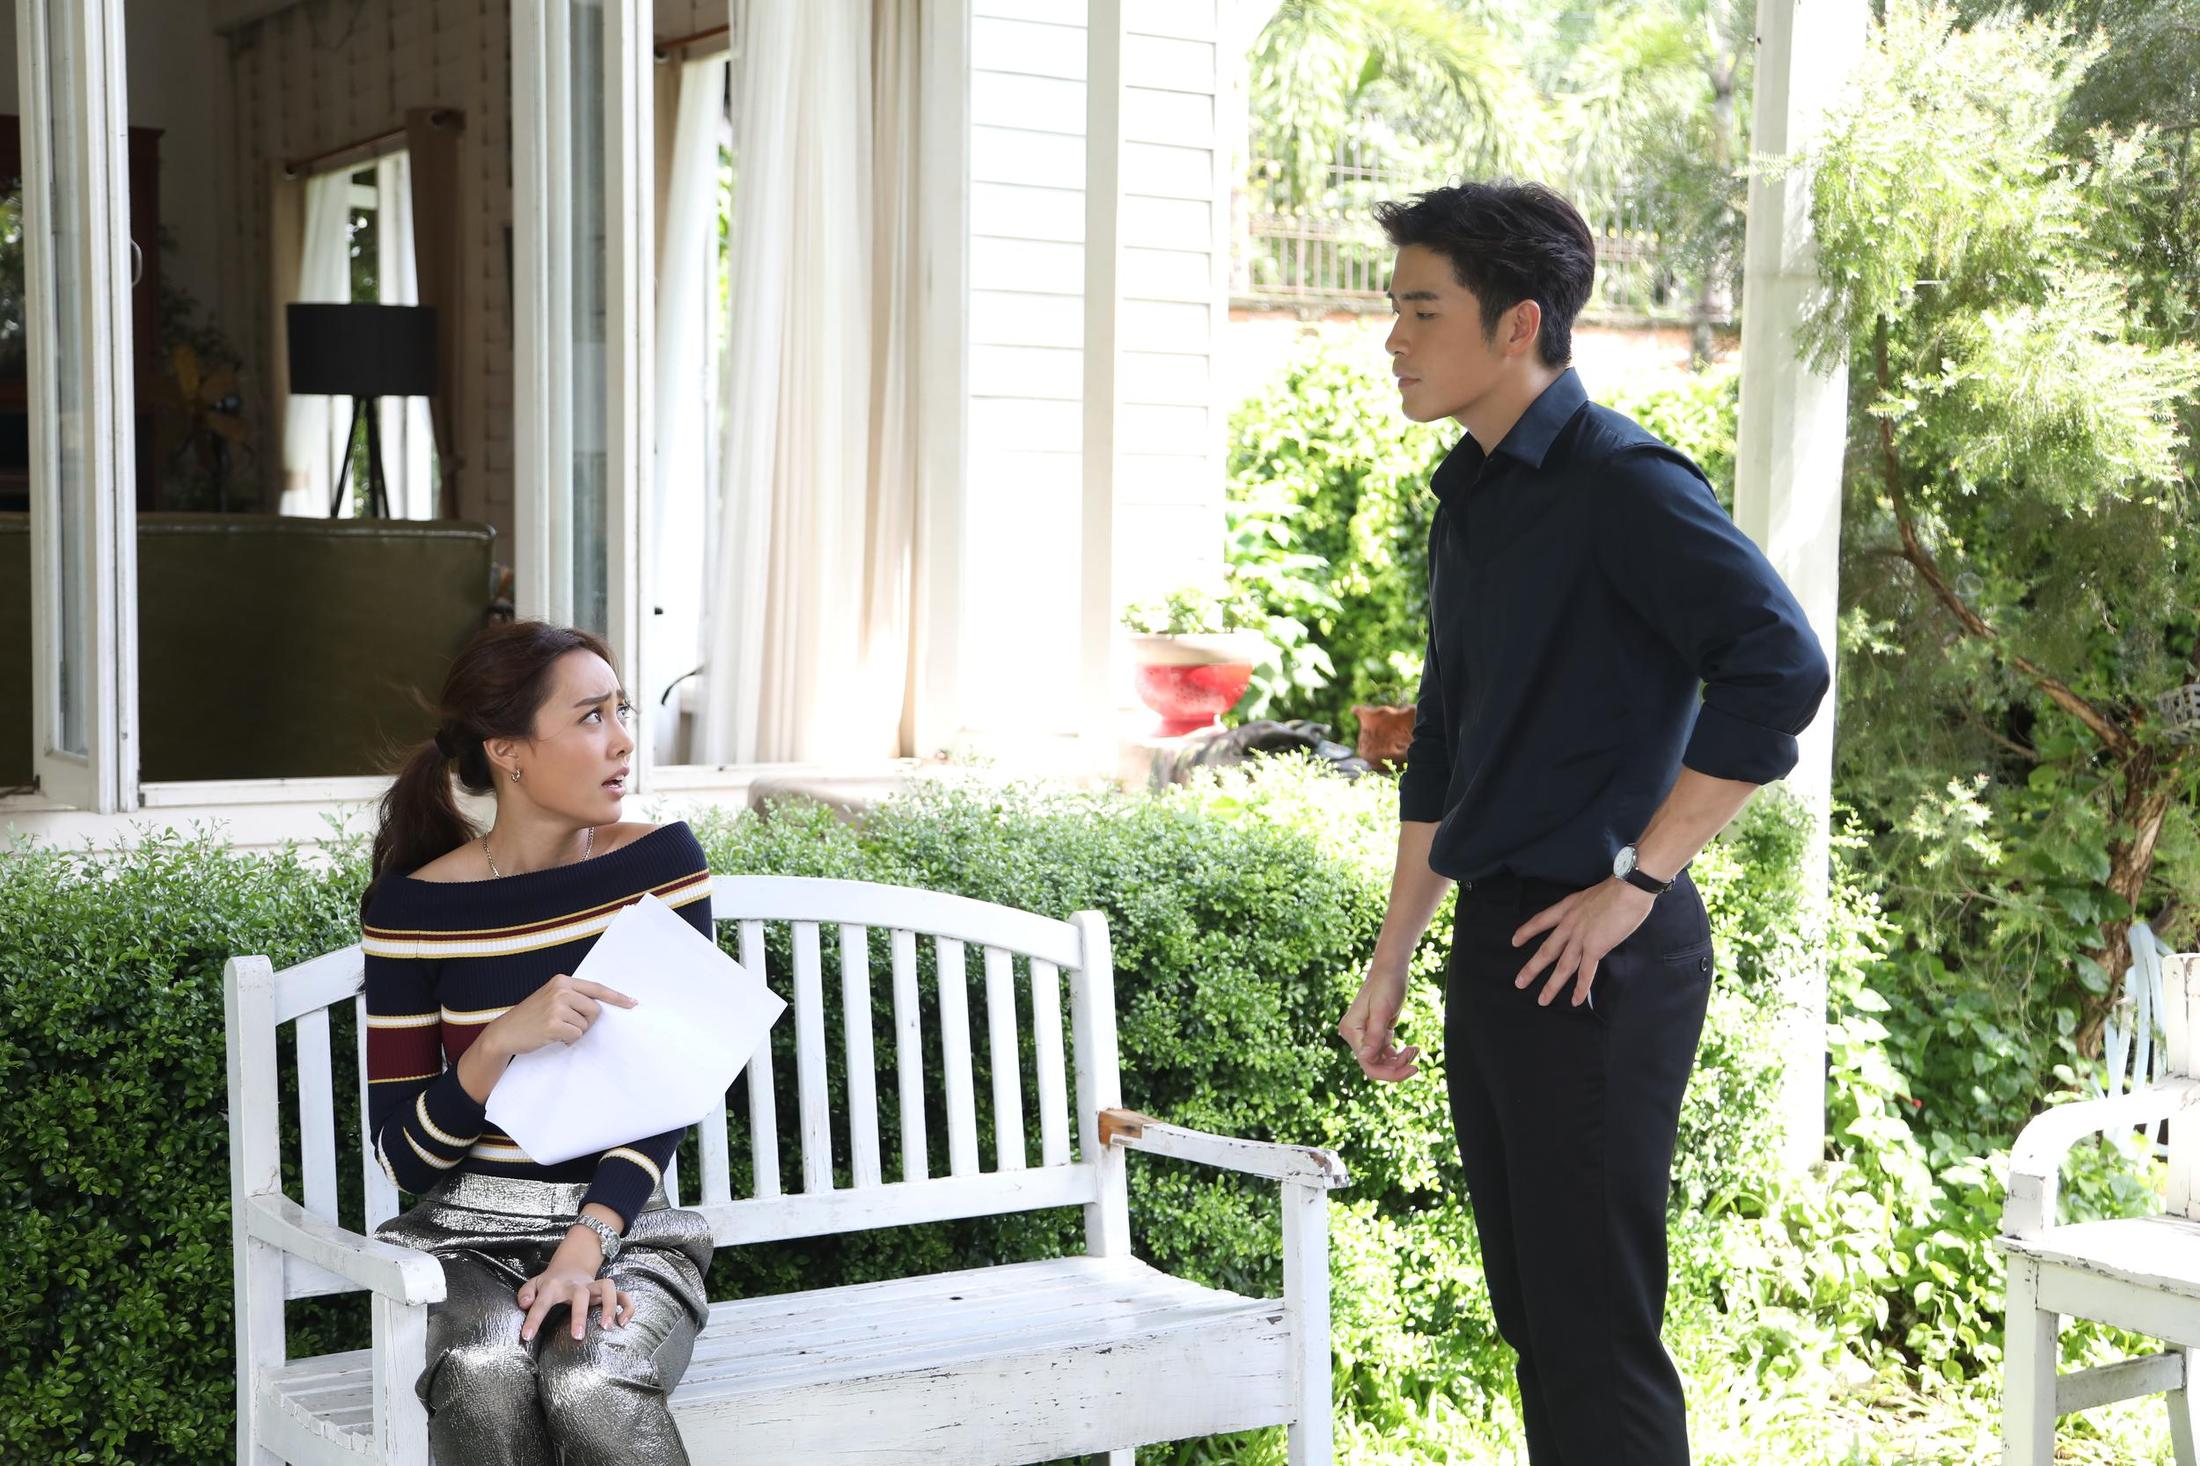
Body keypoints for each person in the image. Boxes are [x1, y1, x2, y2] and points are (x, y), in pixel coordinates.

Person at [1336, 181, 1832, 1466]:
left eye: (1421, 309)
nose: (1393, 337)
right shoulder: (1471, 494)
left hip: (1599, 955)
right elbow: (1445, 748)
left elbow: (1780, 665)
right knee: (1537, 1320)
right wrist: (1394, 955)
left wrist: (1638, 881)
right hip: (1498, 942)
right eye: (1395, 308)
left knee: (1596, 1335)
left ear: (1518, 324)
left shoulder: (1623, 480)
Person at [359, 619, 716, 1465]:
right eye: (591, 717)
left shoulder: (661, 869)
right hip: (463, 1239)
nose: (622, 740)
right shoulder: (411, 910)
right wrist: (495, 1046)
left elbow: (664, 1092)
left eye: (621, 711)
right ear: (507, 751)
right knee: (483, 1368)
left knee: (590, 1378)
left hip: (626, 1227)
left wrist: (587, 1243)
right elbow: (404, 1162)